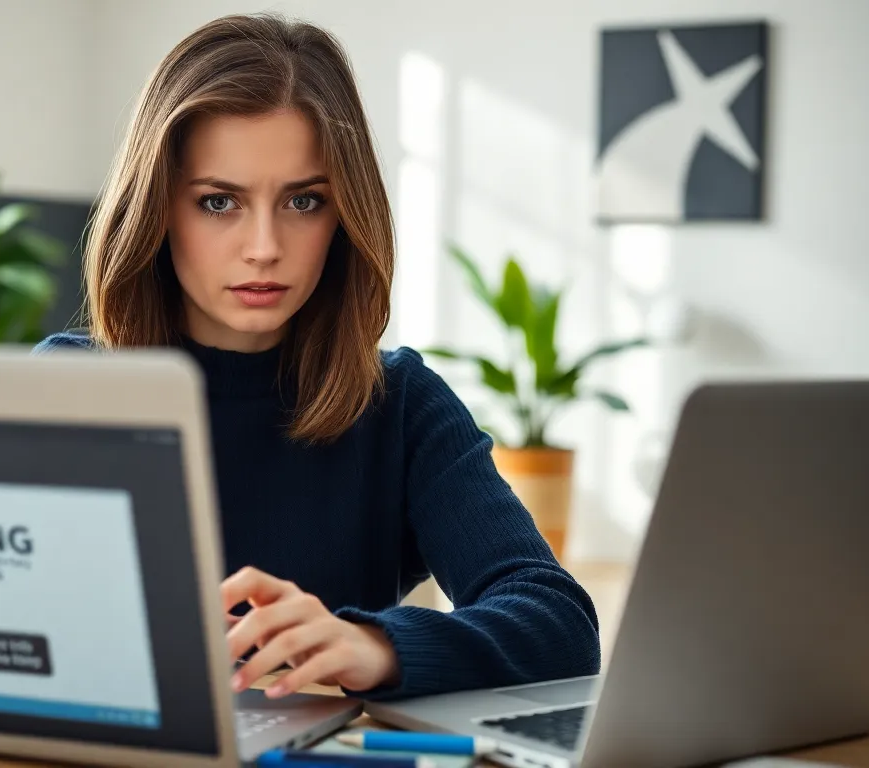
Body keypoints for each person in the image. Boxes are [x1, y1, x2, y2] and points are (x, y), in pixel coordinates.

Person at [35, 13, 600, 701]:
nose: (264, 247)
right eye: (219, 202)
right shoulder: (65, 389)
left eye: (303, 201)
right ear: (157, 209)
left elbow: (559, 623)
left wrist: (375, 646)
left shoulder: (398, 403)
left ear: (344, 215)